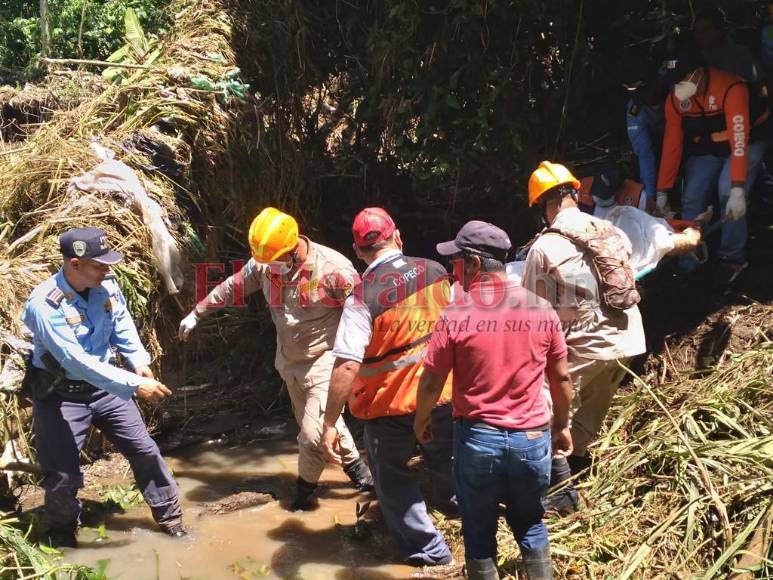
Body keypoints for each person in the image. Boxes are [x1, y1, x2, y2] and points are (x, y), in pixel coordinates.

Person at [178, 207, 372, 510]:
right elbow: (234, 286)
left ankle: (303, 496)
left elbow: (364, 314)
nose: (268, 268)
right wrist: (197, 312)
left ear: (294, 249)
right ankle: (362, 475)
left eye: (274, 261)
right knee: (319, 425)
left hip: (326, 360)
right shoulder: (267, 264)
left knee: (312, 434)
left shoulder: (334, 270)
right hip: (289, 362)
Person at [413, 220, 574, 580]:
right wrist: (561, 427)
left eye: (455, 263)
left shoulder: (457, 314)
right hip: (532, 439)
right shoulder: (541, 309)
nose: (453, 272)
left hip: (479, 439)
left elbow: (430, 382)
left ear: (472, 263)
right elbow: (561, 377)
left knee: (479, 532)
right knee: (531, 523)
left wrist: (420, 421)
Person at [22, 227, 183, 548]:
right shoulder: (44, 305)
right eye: (98, 264)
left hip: (106, 387)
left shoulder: (106, 285)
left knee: (144, 451)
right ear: (74, 264)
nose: (107, 270)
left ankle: (171, 518)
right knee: (63, 474)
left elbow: (121, 325)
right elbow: (75, 361)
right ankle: (62, 535)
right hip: (61, 394)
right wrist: (135, 384)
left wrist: (139, 361)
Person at [320, 207, 455, 567]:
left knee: (393, 480)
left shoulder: (362, 297)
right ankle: (458, 512)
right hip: (444, 393)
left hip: (388, 407)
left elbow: (348, 363)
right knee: (446, 459)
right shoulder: (436, 270)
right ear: (398, 236)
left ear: (357, 250)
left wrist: (330, 422)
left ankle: (432, 554)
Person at [522, 162, 647, 514]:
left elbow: (533, 311)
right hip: (630, 339)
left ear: (541, 205)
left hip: (588, 342)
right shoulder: (612, 231)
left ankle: (559, 493)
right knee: (591, 407)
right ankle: (576, 468)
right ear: (576, 193)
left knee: (547, 408)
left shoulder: (544, 247)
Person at [656, 55, 770, 282]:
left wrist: (738, 189)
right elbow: (672, 144)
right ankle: (688, 258)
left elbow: (739, 141)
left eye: (681, 81)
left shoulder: (731, 88)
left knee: (727, 191)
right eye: (674, 83)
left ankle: (731, 259)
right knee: (692, 196)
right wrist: (662, 190)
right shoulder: (676, 99)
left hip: (747, 140)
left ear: (697, 74)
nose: (678, 88)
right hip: (711, 145)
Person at [577, 162, 648, 218]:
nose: (597, 199)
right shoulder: (581, 187)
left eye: (604, 197)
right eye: (596, 193)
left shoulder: (638, 197)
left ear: (617, 192)